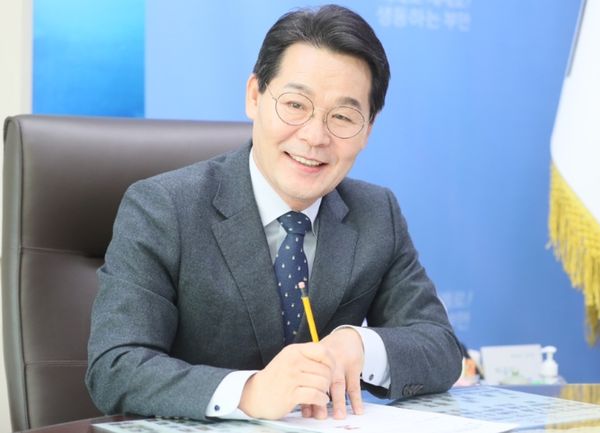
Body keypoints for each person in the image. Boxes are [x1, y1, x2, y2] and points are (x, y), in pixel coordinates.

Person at [86, 4, 463, 422]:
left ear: (368, 130)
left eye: (342, 117)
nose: (315, 137)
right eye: (296, 105)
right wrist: (249, 392)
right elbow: (115, 367)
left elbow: (442, 349)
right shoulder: (163, 208)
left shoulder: (376, 213)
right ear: (255, 96)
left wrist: (359, 345)